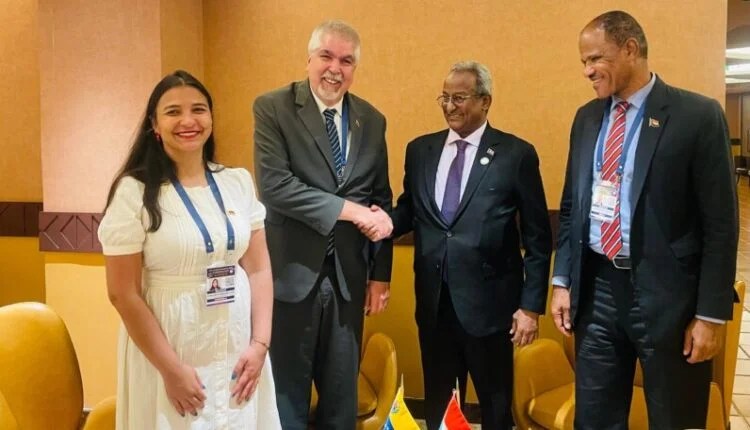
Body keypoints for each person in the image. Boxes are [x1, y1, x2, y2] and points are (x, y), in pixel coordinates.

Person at [550, 11, 738, 429]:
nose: (587, 71)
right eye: (583, 61)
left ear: (630, 49)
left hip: (669, 299)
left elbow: (721, 225)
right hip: (597, 292)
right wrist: (562, 279)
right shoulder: (587, 118)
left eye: (595, 59)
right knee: (594, 419)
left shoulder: (697, 116)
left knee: (674, 417)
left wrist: (710, 315)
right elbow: (572, 206)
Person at [98, 70, 281, 429]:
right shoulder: (134, 191)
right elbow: (122, 292)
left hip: (236, 345)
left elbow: (259, 269)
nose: (188, 121)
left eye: (198, 109)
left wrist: (260, 344)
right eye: (173, 112)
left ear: (211, 118)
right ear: (155, 125)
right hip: (171, 349)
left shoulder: (236, 182)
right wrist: (170, 369)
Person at [391, 61, 552, 430]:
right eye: (444, 98)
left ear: (485, 101)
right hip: (435, 305)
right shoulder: (420, 150)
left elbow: (538, 238)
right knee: (441, 407)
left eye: (459, 98)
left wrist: (530, 308)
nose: (450, 106)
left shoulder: (515, 154)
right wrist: (378, 222)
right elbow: (409, 210)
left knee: (495, 407)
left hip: (492, 309)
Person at [253, 20, 393, 430]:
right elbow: (276, 187)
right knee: (286, 400)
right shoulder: (273, 108)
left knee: (341, 400)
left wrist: (380, 275)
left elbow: (380, 199)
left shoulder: (372, 119)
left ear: (355, 68)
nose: (335, 68)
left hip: (349, 281)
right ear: (309, 59)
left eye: (346, 61)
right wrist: (351, 211)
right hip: (290, 278)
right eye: (326, 57)